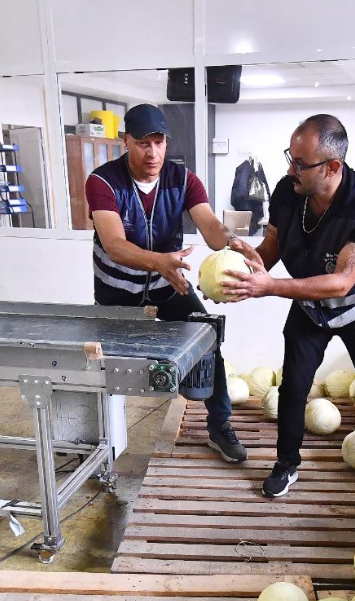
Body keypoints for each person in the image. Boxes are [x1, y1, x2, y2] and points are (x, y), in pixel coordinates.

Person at [220, 114, 355, 510]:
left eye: (300, 163)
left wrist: (269, 288)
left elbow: (343, 281)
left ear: (332, 167)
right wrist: (249, 266)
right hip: (310, 305)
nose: (290, 169)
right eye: (290, 157)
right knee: (293, 386)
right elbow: (273, 245)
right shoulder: (288, 192)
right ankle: (286, 463)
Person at [87, 103, 263, 463]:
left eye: (159, 142)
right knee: (102, 367)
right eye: (142, 143)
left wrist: (233, 242)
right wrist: (159, 262)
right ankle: (98, 439)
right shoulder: (103, 181)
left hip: (170, 286)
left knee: (208, 339)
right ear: (126, 142)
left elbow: (211, 227)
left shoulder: (183, 180)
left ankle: (219, 425)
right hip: (116, 292)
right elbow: (115, 245)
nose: (152, 153)